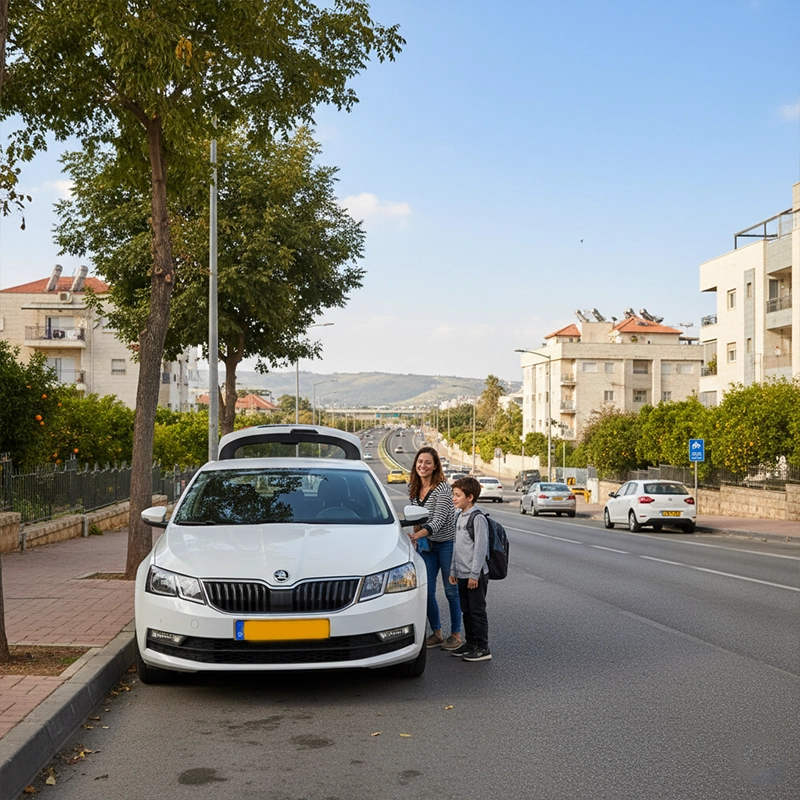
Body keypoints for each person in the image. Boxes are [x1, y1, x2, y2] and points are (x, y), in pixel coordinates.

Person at [408, 446, 463, 650]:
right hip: (426, 546)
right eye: (420, 461)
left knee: (451, 591)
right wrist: (412, 534)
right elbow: (415, 516)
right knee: (427, 592)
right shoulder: (413, 487)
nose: (423, 466)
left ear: (435, 466)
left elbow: (439, 520)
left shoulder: (442, 488)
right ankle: (437, 633)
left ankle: (456, 635)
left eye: (428, 462)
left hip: (446, 544)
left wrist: (417, 534)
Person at [448, 476, 491, 662]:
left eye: (458, 495)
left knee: (477, 611)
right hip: (462, 573)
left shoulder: (477, 518)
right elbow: (456, 546)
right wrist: (453, 570)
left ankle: (483, 647)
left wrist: (474, 575)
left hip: (476, 575)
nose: (454, 498)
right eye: (454, 495)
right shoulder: (459, 516)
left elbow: (480, 549)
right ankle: (471, 642)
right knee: (466, 610)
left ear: (470, 497)